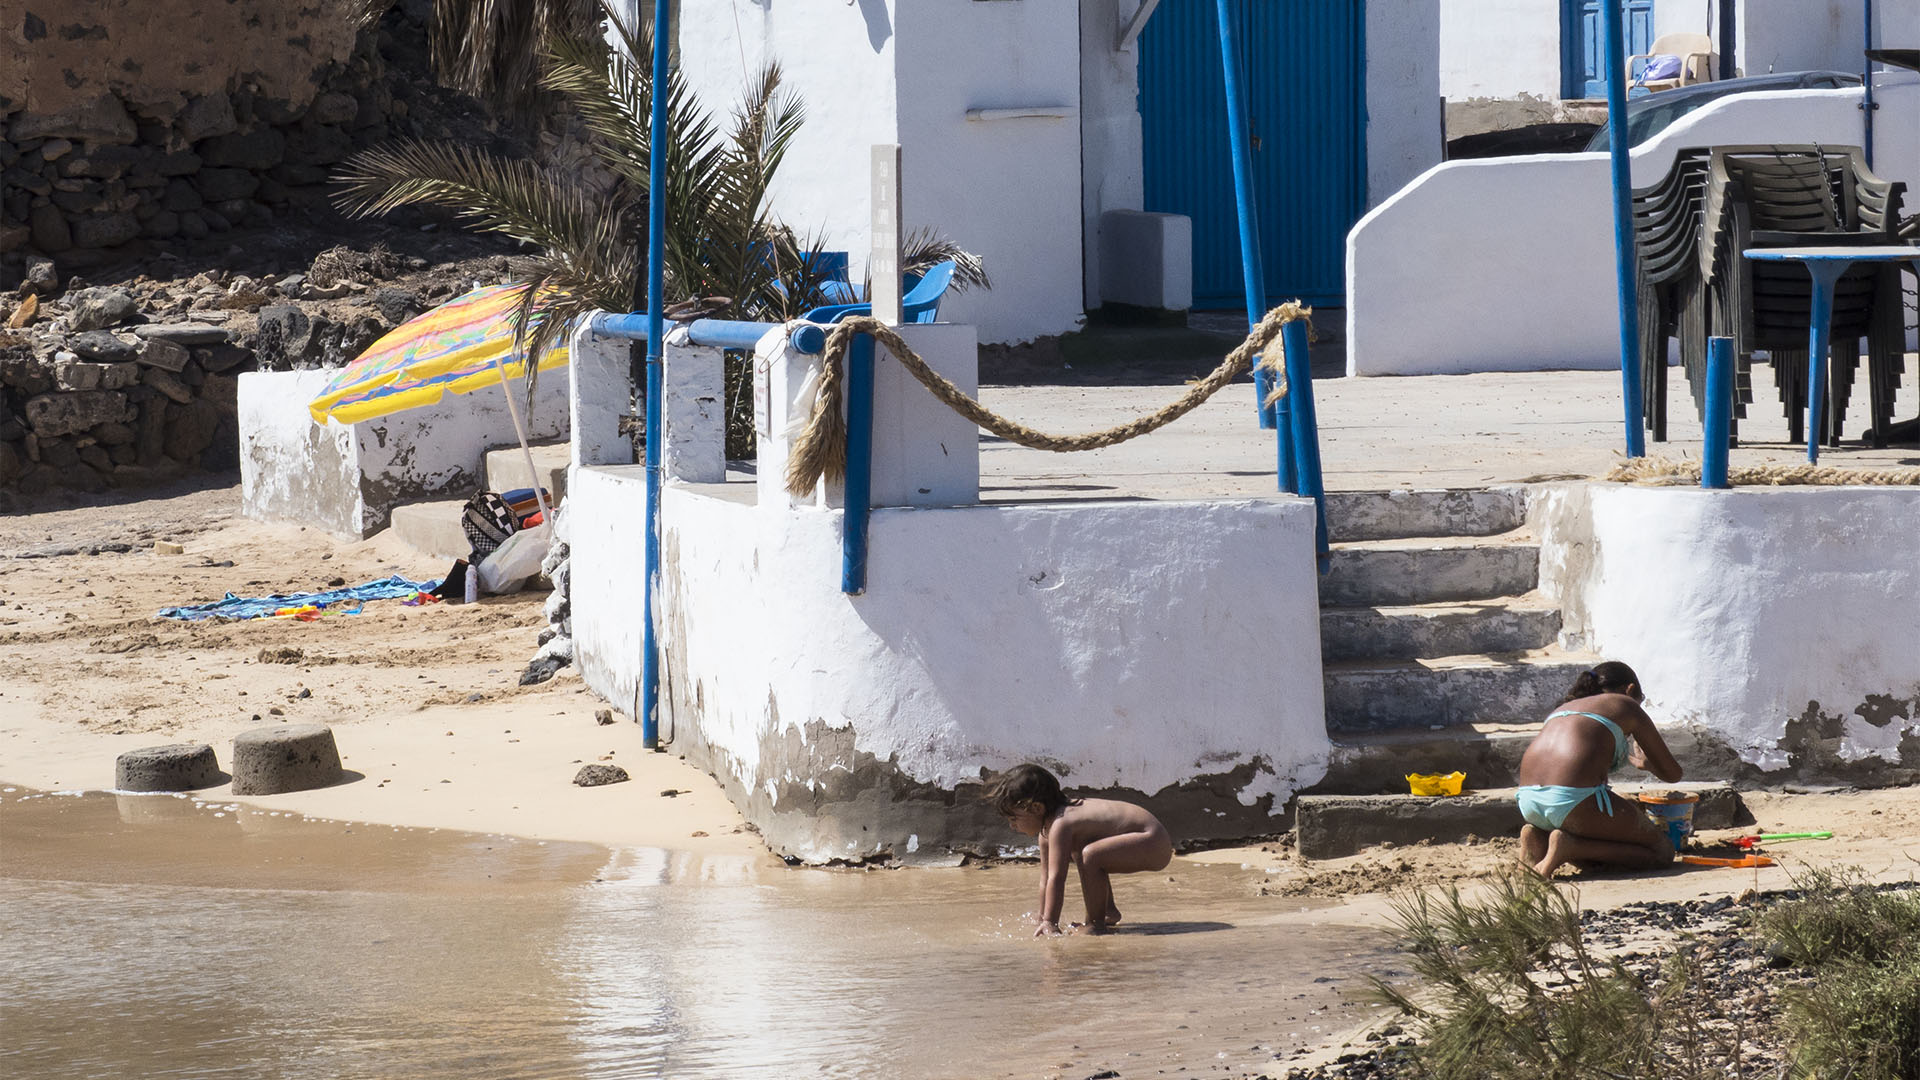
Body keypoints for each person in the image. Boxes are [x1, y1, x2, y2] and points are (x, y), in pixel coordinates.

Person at [1518, 660, 1684, 878]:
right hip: (1571, 801)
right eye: (1640, 699)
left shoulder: (1562, 709)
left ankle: (1537, 836)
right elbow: (1673, 773)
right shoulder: (1626, 705)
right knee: (1661, 851)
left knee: (1600, 836)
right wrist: (1648, 765)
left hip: (1528, 801)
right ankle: (1570, 847)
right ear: (1630, 689)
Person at [985, 763, 1173, 936]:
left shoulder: (1061, 823)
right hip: (1146, 839)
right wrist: (1042, 917)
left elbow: (1057, 878)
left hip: (1154, 841)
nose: (1012, 827)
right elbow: (1046, 878)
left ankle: (1095, 924)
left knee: (1090, 855)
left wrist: (1051, 922)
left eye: (1013, 819)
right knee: (1083, 851)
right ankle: (1108, 912)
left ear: (1036, 808)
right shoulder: (1047, 832)